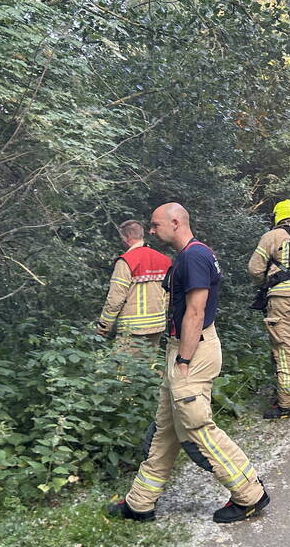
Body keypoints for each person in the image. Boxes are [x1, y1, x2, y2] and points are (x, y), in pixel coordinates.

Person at [107, 203, 268, 523]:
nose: (151, 231)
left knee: (197, 428)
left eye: (155, 225)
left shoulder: (194, 257)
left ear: (175, 222)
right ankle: (140, 502)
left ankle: (250, 493)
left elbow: (195, 311)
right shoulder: (196, 253)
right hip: (184, 348)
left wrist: (183, 359)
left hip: (191, 352)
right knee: (165, 430)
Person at [248, 200, 290, 419]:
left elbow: (255, 268)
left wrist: (266, 282)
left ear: (276, 216)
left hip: (282, 298)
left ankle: (287, 404)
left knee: (284, 349)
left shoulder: (272, 236)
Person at [96, 220, 170, 356]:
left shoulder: (126, 261)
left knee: (123, 373)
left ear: (127, 237)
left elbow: (115, 299)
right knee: (146, 371)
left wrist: (104, 325)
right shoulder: (164, 260)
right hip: (157, 327)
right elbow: (169, 296)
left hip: (132, 329)